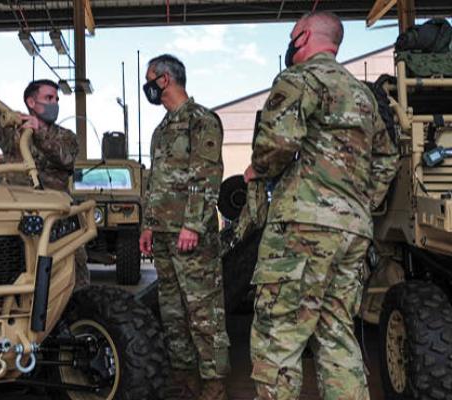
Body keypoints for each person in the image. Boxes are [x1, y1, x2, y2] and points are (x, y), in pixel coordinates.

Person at [244, 11, 399, 400]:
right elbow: (388, 158)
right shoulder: (365, 95)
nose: (289, 42)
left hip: (301, 228)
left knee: (278, 338)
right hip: (352, 234)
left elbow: (277, 143)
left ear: (305, 36)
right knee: (336, 333)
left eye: (292, 34)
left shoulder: (300, 79)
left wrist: (257, 169)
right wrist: (360, 204)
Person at [0, 32, 90, 289]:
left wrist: (39, 131)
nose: (54, 103)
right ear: (31, 102)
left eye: (56, 99)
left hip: (57, 219)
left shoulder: (66, 136)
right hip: (17, 219)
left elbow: (66, 158)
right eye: (48, 98)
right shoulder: (12, 131)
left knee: (73, 279)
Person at [139, 54, 230, 400]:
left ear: (165, 79)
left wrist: (192, 225)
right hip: (162, 235)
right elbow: (155, 182)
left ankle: (213, 386)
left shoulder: (201, 120)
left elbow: (206, 177)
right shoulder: (161, 131)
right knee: (173, 313)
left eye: (150, 78)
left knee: (203, 313)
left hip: (191, 236)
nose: (147, 84)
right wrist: (148, 226)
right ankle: (185, 380)